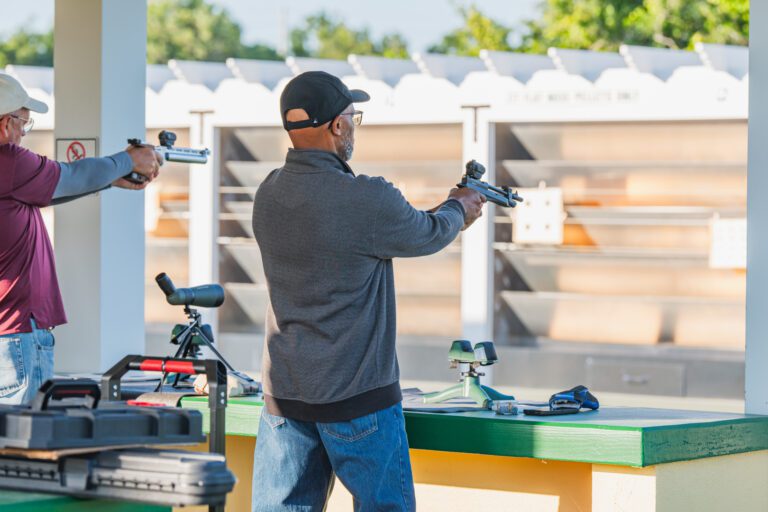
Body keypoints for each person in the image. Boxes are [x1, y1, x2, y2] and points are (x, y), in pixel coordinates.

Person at [251, 71, 486, 511]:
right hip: (358, 400)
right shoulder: (366, 198)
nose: (354, 125)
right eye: (352, 116)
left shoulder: (268, 194)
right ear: (337, 126)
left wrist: (447, 207)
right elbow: (426, 233)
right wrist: (461, 207)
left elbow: (375, 233)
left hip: (285, 398)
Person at [0, 73, 161, 405]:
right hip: (15, 336)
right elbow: (70, 176)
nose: (22, 135)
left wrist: (111, 178)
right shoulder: (9, 161)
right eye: (23, 125)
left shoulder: (11, 177)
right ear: (5, 123)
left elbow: (49, 189)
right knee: (20, 447)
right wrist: (128, 160)